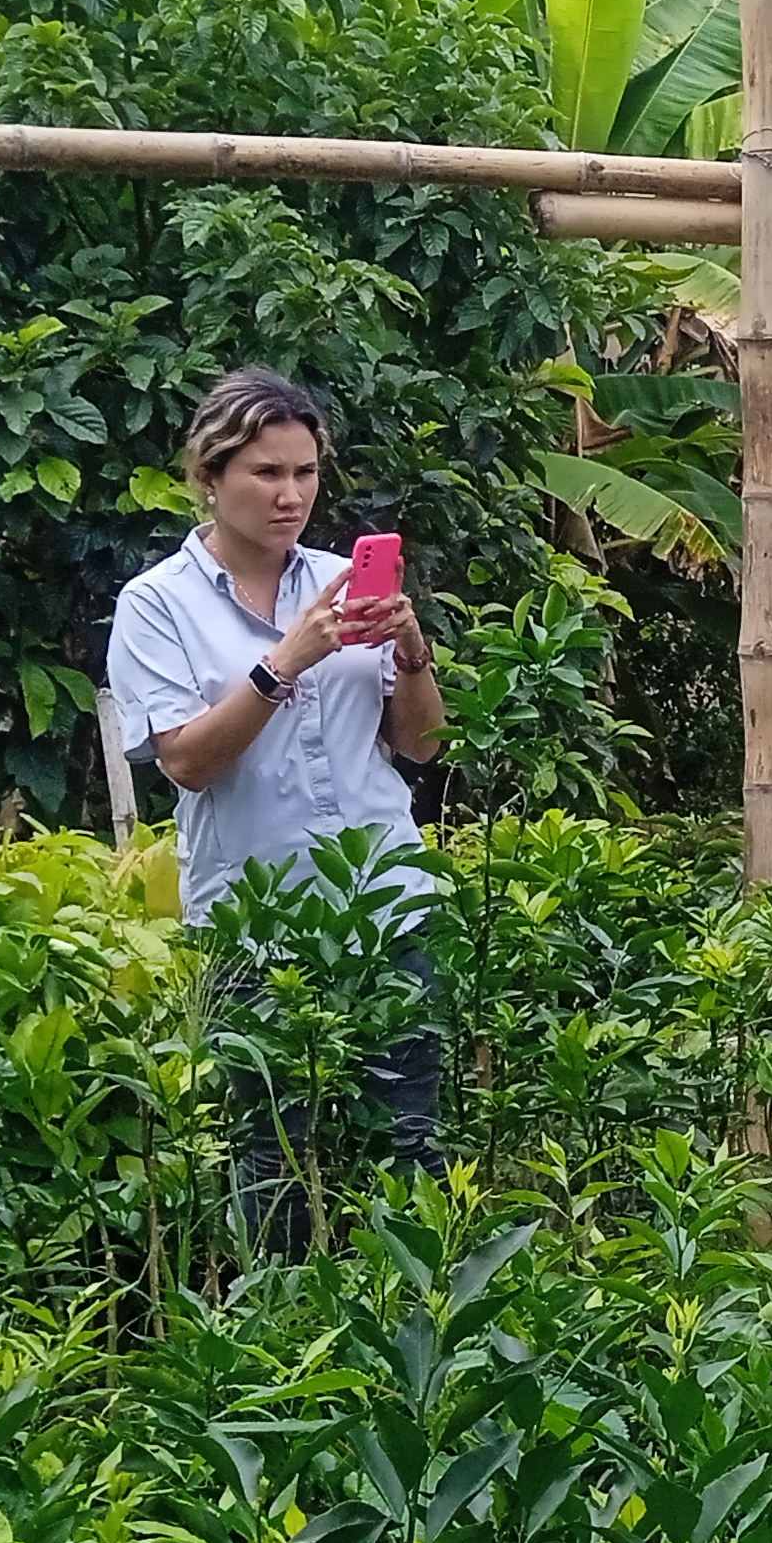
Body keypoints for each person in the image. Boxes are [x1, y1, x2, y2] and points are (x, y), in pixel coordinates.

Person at [105, 367, 449, 1255]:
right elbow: (186, 763)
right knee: (274, 1158)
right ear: (209, 477)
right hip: (257, 924)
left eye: (304, 472)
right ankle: (283, 1325)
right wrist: (283, 663)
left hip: (386, 904)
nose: (290, 495)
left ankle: (417, 1320)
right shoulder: (157, 605)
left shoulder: (343, 582)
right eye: (265, 473)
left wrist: (411, 649)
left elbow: (421, 746)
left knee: (408, 1145)